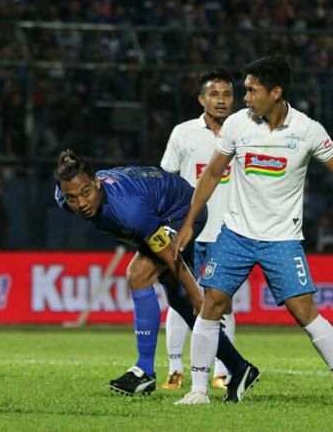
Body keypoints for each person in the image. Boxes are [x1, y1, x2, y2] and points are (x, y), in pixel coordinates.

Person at [174, 56, 333, 407]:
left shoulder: (307, 130)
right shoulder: (237, 126)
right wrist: (188, 223)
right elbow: (212, 174)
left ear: (276, 92)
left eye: (251, 91)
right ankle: (198, 390)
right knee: (210, 305)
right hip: (235, 234)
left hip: (282, 239)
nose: (244, 98)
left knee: (305, 313)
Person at [54, 150, 259, 403]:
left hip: (182, 210)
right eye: (72, 198)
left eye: (86, 192)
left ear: (97, 182)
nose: (81, 203)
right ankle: (240, 367)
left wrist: (199, 299)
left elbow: (170, 255)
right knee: (179, 303)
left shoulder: (130, 210)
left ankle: (145, 371)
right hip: (155, 210)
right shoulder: (63, 198)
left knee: (139, 275)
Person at [159, 69, 236, 391]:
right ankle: (175, 367)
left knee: (222, 302)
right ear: (201, 99)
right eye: (214, 94)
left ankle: (223, 370)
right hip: (188, 231)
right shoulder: (183, 133)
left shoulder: (245, 133)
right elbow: (165, 180)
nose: (221, 100)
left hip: (229, 232)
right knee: (181, 300)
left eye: (227, 94)